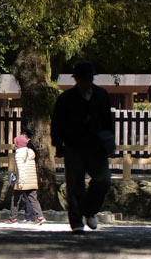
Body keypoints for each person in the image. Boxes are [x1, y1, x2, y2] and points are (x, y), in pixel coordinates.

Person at [50, 60, 116, 232]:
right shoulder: (66, 99)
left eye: (88, 79)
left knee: (103, 180)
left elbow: (108, 121)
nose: (86, 82)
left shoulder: (102, 96)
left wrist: (109, 143)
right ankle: (76, 221)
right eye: (83, 79)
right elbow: (57, 122)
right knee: (74, 185)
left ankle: (90, 211)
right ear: (76, 79)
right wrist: (58, 143)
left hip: (97, 146)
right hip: (74, 146)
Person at [10, 133, 44, 225]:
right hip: (32, 180)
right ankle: (40, 216)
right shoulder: (30, 152)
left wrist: (20, 181)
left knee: (16, 199)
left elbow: (21, 168)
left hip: (23, 180)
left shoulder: (19, 154)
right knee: (33, 199)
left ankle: (13, 218)